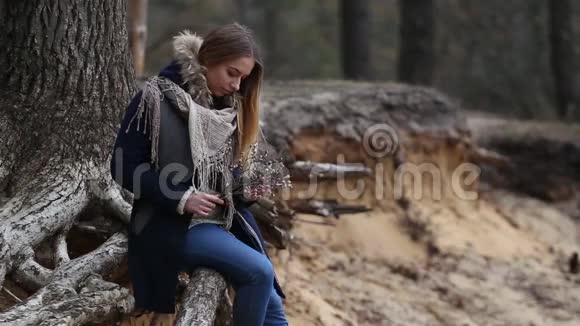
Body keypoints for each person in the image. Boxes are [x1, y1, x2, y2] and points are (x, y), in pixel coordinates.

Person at [110, 23, 289, 325]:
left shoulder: (226, 108)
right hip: (171, 226)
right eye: (232, 73)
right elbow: (123, 167)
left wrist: (244, 191)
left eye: (243, 79)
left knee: (272, 307)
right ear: (209, 58)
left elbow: (220, 182)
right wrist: (182, 197)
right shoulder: (154, 98)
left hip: (223, 224)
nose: (236, 86)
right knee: (259, 273)